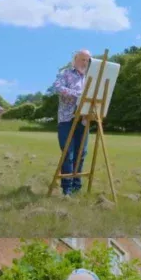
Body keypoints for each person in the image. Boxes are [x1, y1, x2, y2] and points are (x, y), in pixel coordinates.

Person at [49, 50, 92, 196]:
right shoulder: (66, 73)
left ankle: (76, 186)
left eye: (87, 60)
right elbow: (57, 87)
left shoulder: (90, 78)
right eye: (82, 59)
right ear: (75, 60)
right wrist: (78, 95)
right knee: (68, 153)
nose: (84, 63)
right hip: (67, 119)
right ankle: (66, 189)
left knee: (82, 153)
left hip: (84, 120)